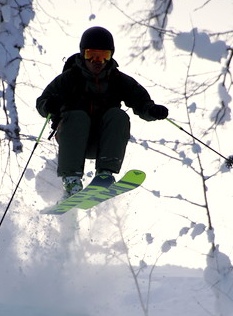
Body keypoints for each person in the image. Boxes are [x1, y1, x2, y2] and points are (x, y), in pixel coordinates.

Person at [36, 26, 169, 198]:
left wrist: (152, 111)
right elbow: (42, 102)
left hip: (103, 143)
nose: (96, 61)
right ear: (83, 54)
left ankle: (105, 174)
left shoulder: (117, 80)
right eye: (91, 55)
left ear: (110, 56)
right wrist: (49, 106)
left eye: (103, 56)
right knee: (77, 116)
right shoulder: (69, 78)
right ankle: (71, 179)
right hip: (73, 142)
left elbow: (141, 102)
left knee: (118, 115)